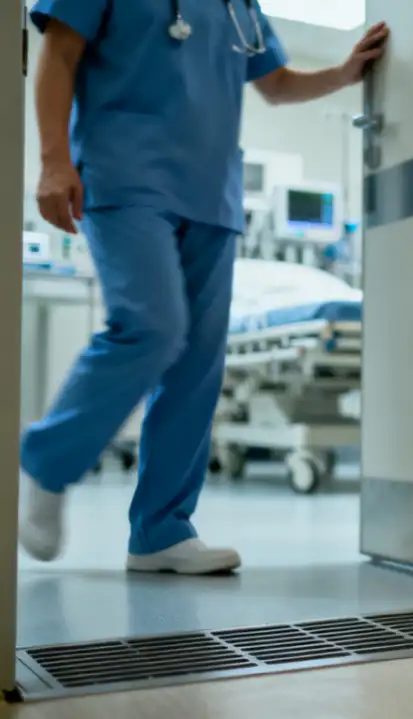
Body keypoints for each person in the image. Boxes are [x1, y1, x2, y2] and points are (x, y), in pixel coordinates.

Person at [20, 0, 390, 574]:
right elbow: (59, 53)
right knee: (151, 327)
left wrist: (344, 73)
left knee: (197, 364)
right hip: (123, 176)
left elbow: (276, 82)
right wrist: (52, 161)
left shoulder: (237, 4)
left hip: (211, 196)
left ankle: (161, 531)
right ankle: (49, 457)